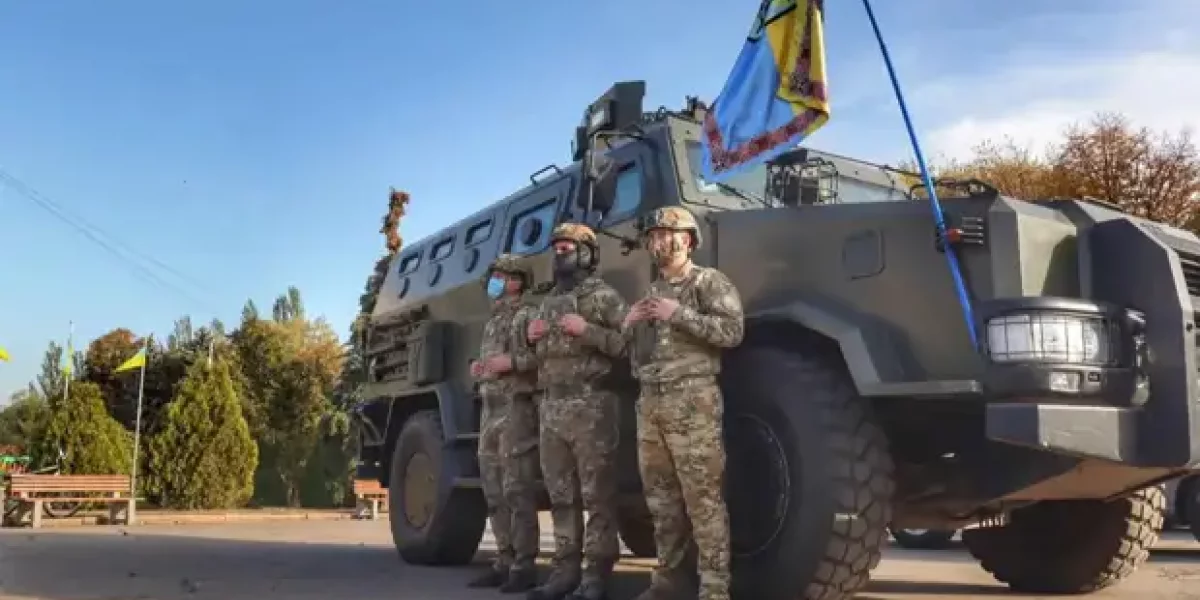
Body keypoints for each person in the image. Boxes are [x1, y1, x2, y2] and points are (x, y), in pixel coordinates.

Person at [622, 206, 745, 600]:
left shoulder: (708, 282)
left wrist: (680, 314)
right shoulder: (650, 293)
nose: (657, 241)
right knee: (662, 502)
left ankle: (713, 589)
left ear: (687, 240)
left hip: (693, 402)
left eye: (665, 233)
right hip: (652, 404)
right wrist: (629, 326)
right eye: (653, 235)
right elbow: (639, 355)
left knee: (703, 501)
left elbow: (732, 331)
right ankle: (668, 582)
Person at [520, 222, 629, 600]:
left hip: (591, 405)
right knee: (561, 496)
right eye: (557, 249)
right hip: (551, 406)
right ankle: (563, 573)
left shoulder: (604, 297)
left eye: (567, 248)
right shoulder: (548, 302)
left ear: (586, 252)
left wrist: (588, 331)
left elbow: (630, 346)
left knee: (597, 496)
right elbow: (542, 358)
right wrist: (532, 340)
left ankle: (595, 577)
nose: (560, 254)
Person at [468, 254, 542, 593]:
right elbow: (491, 363)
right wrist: (481, 370)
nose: (493, 282)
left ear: (516, 281)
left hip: (516, 408)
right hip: (490, 408)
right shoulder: (493, 321)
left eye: (499, 275)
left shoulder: (528, 315)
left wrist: (510, 362)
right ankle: (504, 560)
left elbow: (544, 356)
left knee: (517, 490)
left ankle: (524, 566)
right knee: (493, 490)